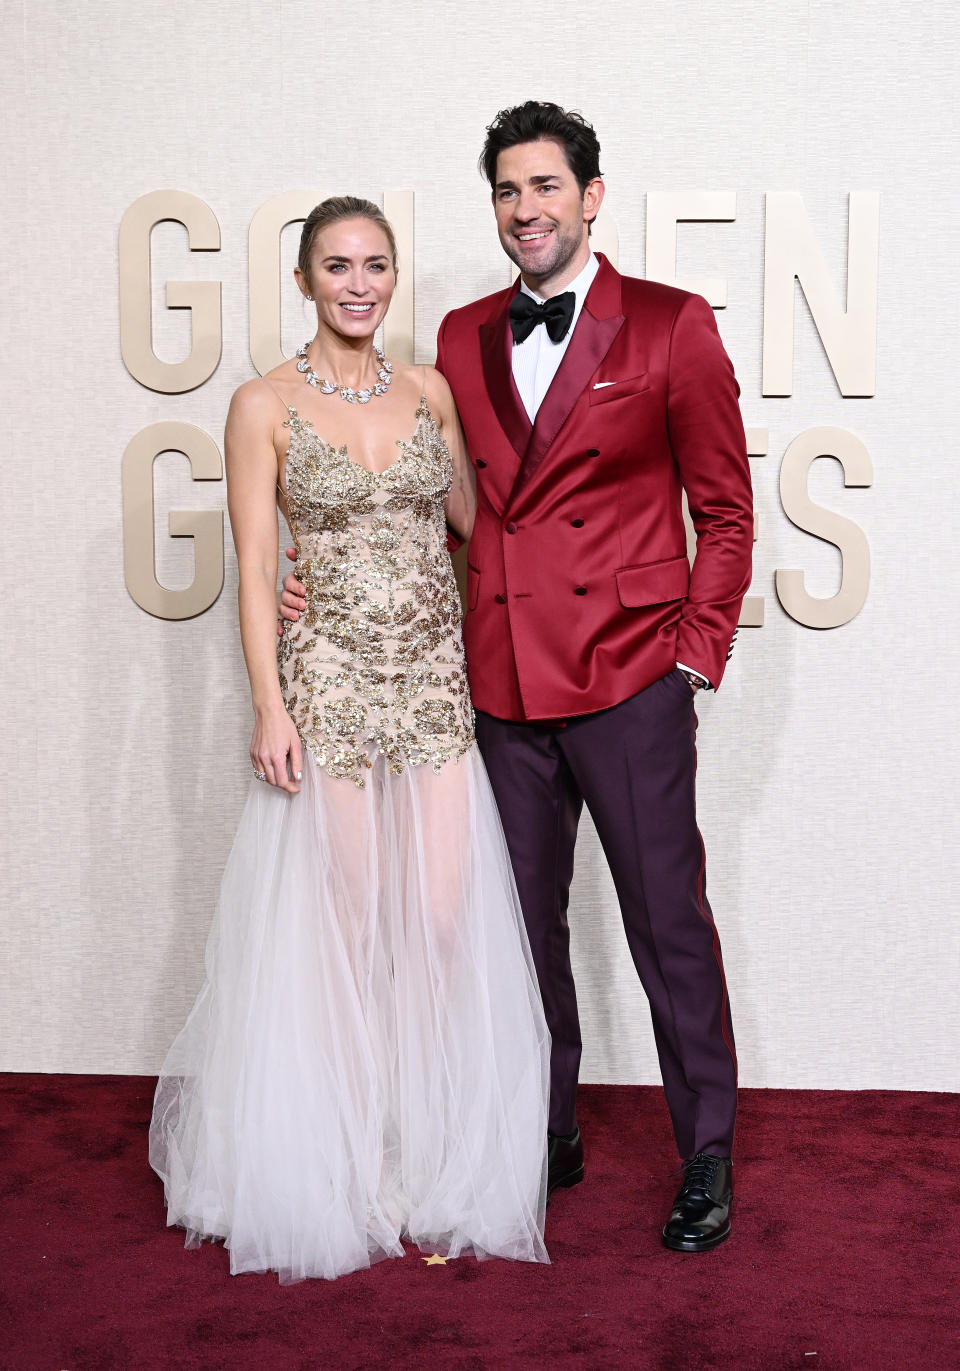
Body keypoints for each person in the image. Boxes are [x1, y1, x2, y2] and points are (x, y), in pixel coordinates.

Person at [282, 104, 754, 1253]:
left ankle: (707, 1151)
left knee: (666, 923)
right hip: (499, 688)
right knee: (517, 927)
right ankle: (547, 1129)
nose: (525, 209)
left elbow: (727, 511)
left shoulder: (672, 326)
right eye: (506, 191)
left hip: (632, 675)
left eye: (545, 187)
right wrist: (323, 580)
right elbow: (453, 513)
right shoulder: (458, 335)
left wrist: (691, 658)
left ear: (592, 197)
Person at [149, 196, 550, 1283]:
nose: (361, 283)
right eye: (339, 265)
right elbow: (251, 566)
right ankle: (346, 1154)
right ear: (305, 280)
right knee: (350, 920)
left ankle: (425, 1147)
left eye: (377, 264)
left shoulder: (428, 392)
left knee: (439, 914)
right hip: (325, 690)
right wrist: (268, 705)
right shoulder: (260, 405)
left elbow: (479, 527)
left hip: (430, 685)